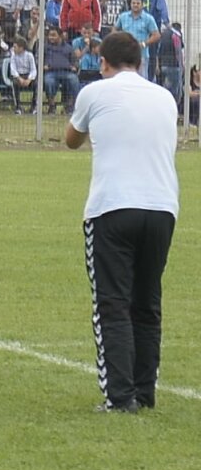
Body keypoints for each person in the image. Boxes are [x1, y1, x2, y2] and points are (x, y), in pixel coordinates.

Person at [64, 31, 178, 412]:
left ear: (103, 62)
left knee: (112, 304)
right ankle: (145, 392)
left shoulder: (95, 92)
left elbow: (71, 139)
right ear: (141, 63)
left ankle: (119, 396)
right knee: (147, 303)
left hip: (112, 207)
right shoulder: (164, 96)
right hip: (162, 206)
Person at [8, 37, 38, 114]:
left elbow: (33, 69)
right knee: (14, 83)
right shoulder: (13, 56)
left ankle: (34, 106)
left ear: (21, 48)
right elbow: (13, 69)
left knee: (36, 84)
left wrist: (29, 79)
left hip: (28, 76)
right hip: (18, 76)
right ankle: (18, 107)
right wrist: (19, 78)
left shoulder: (29, 55)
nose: (13, 49)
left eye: (15, 47)